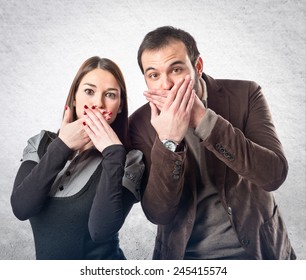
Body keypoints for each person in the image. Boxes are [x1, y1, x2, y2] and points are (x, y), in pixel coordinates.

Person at [129, 26, 296, 260]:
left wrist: (203, 119)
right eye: (154, 75)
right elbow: (159, 214)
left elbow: (273, 175)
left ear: (197, 67)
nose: (165, 85)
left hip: (260, 250)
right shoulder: (139, 124)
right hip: (186, 257)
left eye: (176, 69)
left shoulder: (246, 94)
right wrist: (169, 143)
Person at [11, 56, 144, 260]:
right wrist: (62, 146)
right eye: (89, 91)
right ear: (74, 98)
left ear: (119, 106)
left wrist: (113, 153)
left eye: (110, 95)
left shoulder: (129, 160)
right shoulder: (40, 144)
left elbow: (100, 231)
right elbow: (21, 208)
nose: (98, 103)